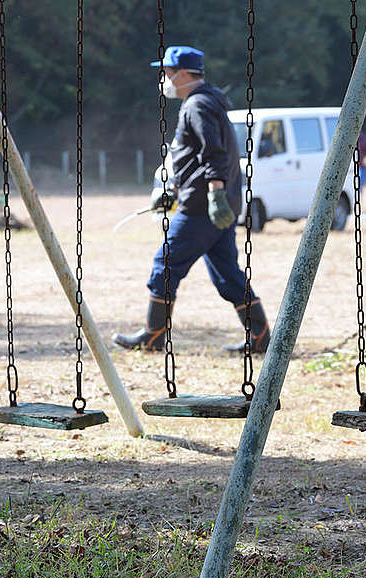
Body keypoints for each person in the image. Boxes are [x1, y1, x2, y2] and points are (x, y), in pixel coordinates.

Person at [114, 45, 269, 353]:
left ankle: (153, 335)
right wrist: (173, 188)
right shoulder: (209, 101)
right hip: (209, 203)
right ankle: (261, 336)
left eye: (168, 73)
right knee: (227, 273)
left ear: (183, 74)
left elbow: (213, 152)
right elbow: (193, 157)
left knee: (165, 264)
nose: (165, 79)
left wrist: (214, 195)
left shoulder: (197, 105)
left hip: (201, 207)